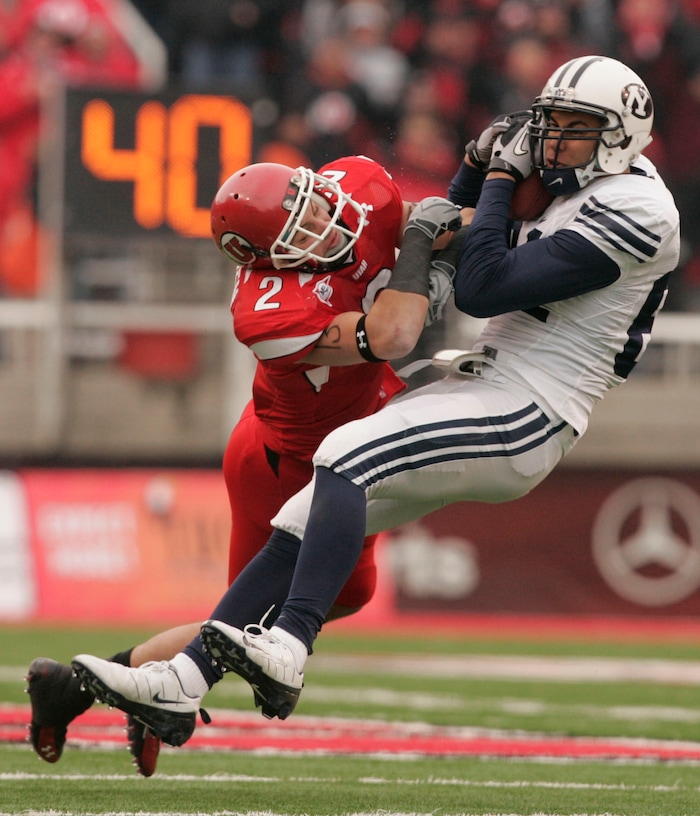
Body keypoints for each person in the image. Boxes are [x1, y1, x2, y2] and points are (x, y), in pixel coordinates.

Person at [71, 54, 679, 749]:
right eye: (551, 123)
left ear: (621, 134)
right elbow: (450, 229)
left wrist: (501, 178)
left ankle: (289, 647)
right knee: (299, 517)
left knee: (343, 453)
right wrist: (475, 176)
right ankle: (182, 679)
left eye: (573, 127)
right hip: (493, 381)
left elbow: (479, 285)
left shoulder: (639, 208)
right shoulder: (581, 187)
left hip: (533, 405)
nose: (551, 139)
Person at [26, 156, 464, 773]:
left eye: (310, 200)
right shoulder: (268, 313)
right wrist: (421, 251)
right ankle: (89, 689)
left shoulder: (356, 184)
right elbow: (392, 333)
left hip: (341, 444)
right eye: (297, 224)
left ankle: (123, 685)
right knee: (248, 623)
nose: (321, 216)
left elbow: (427, 221)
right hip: (286, 464)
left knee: (338, 597)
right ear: (265, 259)